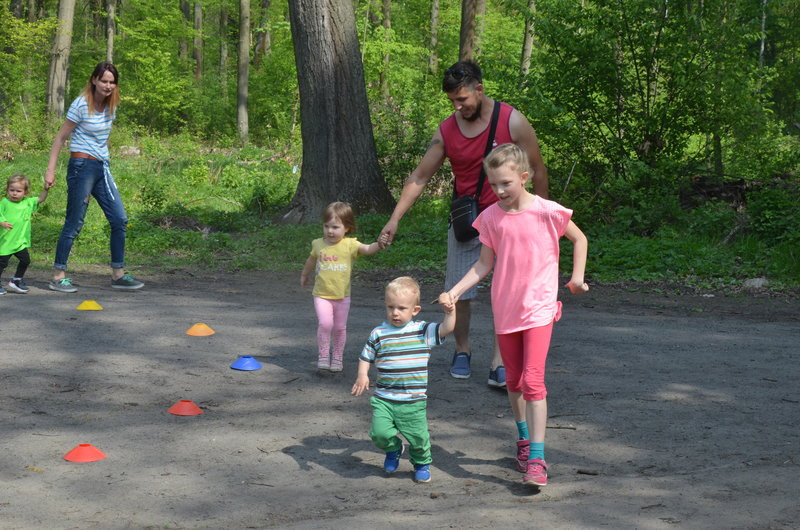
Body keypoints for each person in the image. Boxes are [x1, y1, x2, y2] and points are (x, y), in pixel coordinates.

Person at [380, 60, 549, 387]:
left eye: (462, 99)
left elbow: (538, 169)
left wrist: (542, 220)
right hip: (467, 222)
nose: (457, 107)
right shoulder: (447, 130)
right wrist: (395, 218)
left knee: (508, 293)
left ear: (479, 90)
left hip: (511, 222)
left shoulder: (512, 121)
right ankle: (462, 349)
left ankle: (500, 361)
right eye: (452, 101)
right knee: (460, 290)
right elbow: (420, 176)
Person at [441, 144, 588, 487]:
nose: (499, 190)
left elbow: (579, 239)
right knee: (514, 381)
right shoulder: (491, 217)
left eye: (505, 183)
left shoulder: (547, 211)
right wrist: (455, 291)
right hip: (506, 310)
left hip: (539, 308)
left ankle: (537, 457)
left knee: (533, 382)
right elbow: (483, 265)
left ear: (524, 177)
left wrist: (577, 278)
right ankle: (523, 438)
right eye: (493, 184)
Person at [44, 61, 143, 293]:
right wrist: (50, 170)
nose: (108, 86)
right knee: (75, 221)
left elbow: (105, 136)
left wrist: (104, 158)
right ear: (94, 80)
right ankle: (58, 275)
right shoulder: (81, 104)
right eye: (104, 81)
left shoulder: (111, 105)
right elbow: (60, 138)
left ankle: (118, 275)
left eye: (112, 82)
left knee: (119, 219)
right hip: (81, 167)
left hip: (101, 167)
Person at [351, 276, 456, 483]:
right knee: (379, 434)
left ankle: (422, 463)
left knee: (418, 438)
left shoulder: (422, 331)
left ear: (415, 310)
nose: (395, 313)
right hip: (384, 399)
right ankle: (393, 449)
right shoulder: (378, 333)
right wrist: (362, 375)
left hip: (413, 400)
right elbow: (365, 357)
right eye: (390, 307)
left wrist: (450, 312)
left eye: (401, 308)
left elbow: (447, 328)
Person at [300, 202, 388, 372]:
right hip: (321, 295)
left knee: (340, 328)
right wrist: (304, 274)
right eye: (326, 226)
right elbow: (311, 260)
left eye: (335, 227)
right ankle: (324, 355)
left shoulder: (350, 245)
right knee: (325, 324)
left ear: (347, 227)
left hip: (342, 297)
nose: (330, 231)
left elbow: (368, 249)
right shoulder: (318, 244)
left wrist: (379, 244)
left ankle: (337, 356)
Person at [0, 174, 49, 294]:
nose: (14, 193)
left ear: (25, 192)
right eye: (12, 190)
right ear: (7, 190)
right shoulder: (4, 203)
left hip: (20, 242)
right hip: (6, 241)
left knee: (25, 260)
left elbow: (40, 199)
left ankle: (16, 280)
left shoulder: (28, 202)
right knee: (2, 264)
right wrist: (2, 222)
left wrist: (46, 189)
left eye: (18, 191)